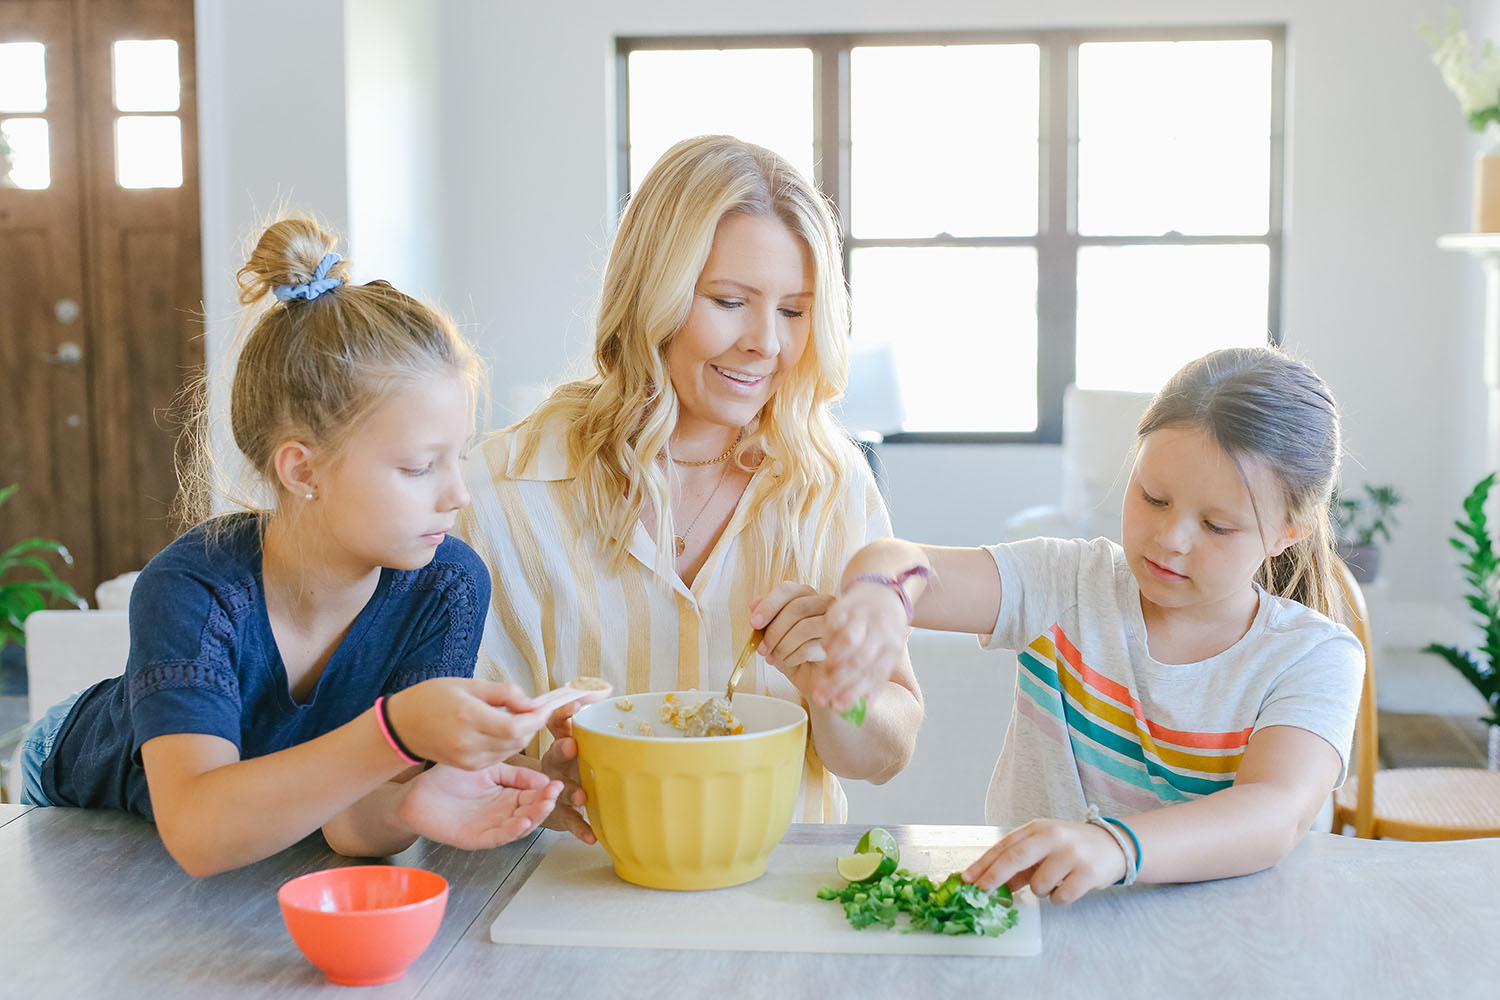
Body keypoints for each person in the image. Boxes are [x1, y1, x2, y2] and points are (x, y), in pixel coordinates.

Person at [14, 217, 581, 876]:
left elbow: (351, 822)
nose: (458, 493)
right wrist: (398, 731)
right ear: (303, 470)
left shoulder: (447, 582)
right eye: (420, 466)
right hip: (86, 798)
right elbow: (199, 832)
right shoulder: (192, 590)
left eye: (459, 457)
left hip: (254, 826)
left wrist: (418, 803)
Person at [459, 135, 923, 833]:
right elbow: (438, 755)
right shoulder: (502, 491)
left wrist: (837, 695)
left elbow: (886, 752)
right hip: (574, 910)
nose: (766, 343)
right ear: (654, 294)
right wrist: (534, 781)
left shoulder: (831, 484)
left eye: (794, 311)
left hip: (783, 904)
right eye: (731, 301)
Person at [815, 346, 1364, 903]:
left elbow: (1275, 812)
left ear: (1286, 533)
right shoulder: (1066, 582)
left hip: (1223, 934)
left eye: (1217, 526)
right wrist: (882, 593)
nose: (1171, 538)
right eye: (1153, 497)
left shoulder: (1315, 656)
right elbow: (905, 562)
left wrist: (1116, 846)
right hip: (1042, 923)